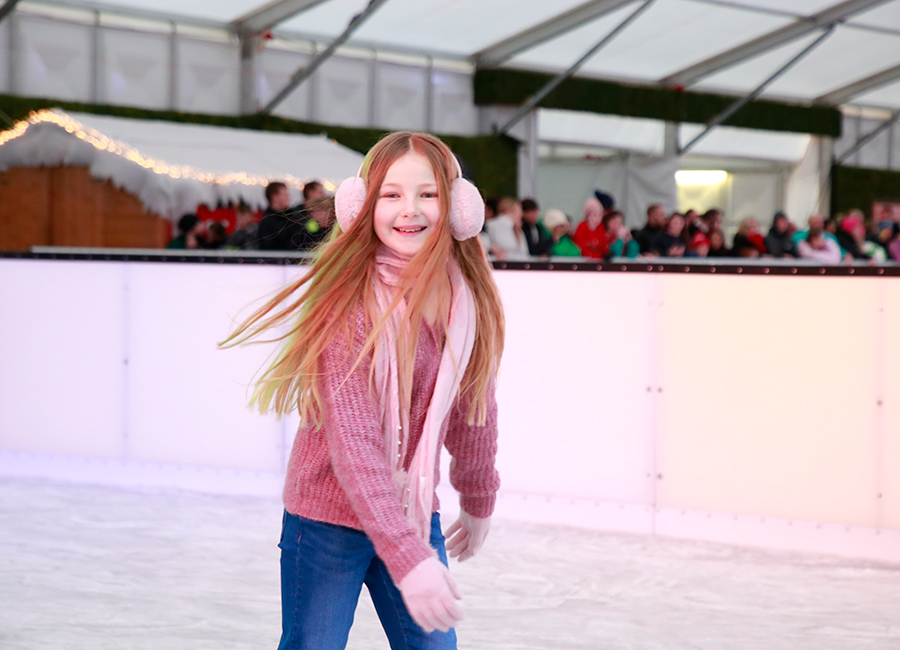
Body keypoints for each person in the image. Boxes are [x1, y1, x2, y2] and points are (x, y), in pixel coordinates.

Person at [221, 132, 504, 650]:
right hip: (326, 522)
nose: (409, 209)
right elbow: (355, 446)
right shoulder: (348, 306)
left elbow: (473, 411)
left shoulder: (464, 303)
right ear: (362, 206)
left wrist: (478, 495)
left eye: (428, 194)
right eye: (391, 194)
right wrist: (408, 557)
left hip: (411, 510)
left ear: (459, 207)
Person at [258, 181, 304, 250]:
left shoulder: (293, 217)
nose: (289, 198)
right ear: (274, 196)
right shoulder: (267, 222)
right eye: (285, 194)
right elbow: (268, 247)